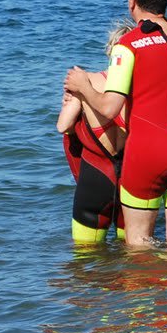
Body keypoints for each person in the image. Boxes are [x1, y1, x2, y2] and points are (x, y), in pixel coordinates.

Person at [65, 0, 167, 250]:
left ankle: (143, 293)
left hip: (150, 149)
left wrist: (83, 86)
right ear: (165, 2)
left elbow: (109, 106)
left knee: (139, 246)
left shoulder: (127, 45)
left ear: (132, 0)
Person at [55, 21, 133, 244]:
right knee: (135, 256)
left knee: (84, 258)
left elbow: (63, 126)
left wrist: (71, 99)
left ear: (111, 50)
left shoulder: (86, 81)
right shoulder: (145, 89)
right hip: (132, 176)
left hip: (97, 174)